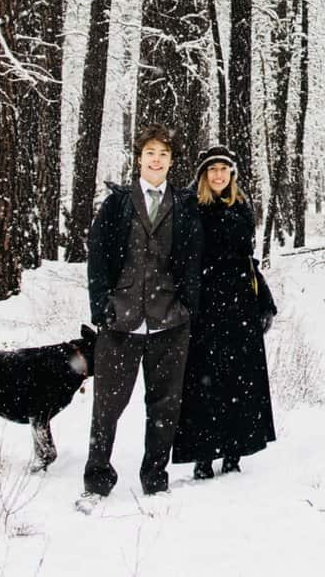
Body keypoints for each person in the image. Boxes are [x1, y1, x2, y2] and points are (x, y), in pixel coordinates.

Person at [83, 126, 202, 499]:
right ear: (139, 158)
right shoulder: (118, 203)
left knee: (164, 406)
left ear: (171, 161)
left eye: (163, 154)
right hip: (120, 321)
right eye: (150, 152)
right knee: (107, 407)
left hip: (169, 321)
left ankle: (155, 478)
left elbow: (194, 260)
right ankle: (97, 479)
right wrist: (102, 307)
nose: (156, 159)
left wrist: (186, 306)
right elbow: (97, 258)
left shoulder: (184, 205)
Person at [172, 145, 276, 480]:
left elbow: (247, 258)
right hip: (204, 304)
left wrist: (264, 300)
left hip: (240, 303)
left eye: (224, 169)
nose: (218, 175)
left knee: (239, 380)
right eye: (212, 169)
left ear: (231, 173)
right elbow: (181, 258)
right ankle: (203, 453)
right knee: (203, 380)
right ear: (203, 174)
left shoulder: (242, 206)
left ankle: (235, 449)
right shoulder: (190, 206)